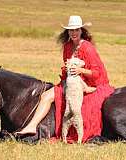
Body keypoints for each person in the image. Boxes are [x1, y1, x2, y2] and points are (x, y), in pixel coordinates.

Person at [16, 15, 115, 143]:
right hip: (70, 82)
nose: (73, 33)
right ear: (67, 31)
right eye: (71, 30)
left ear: (81, 31)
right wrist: (64, 79)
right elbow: (65, 68)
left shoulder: (88, 48)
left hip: (90, 85)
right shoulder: (67, 46)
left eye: (76, 30)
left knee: (84, 107)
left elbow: (97, 73)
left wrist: (81, 70)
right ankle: (31, 126)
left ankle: (77, 135)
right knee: (46, 96)